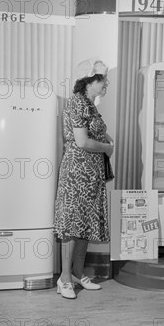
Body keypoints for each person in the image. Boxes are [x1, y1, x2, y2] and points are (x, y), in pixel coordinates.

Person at [54, 59, 113, 299]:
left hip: (91, 174)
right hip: (77, 173)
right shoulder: (77, 103)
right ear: (90, 81)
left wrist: (106, 141)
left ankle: (77, 273)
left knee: (85, 224)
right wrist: (107, 148)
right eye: (103, 80)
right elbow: (82, 142)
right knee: (71, 225)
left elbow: (97, 132)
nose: (106, 84)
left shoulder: (90, 104)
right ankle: (64, 279)